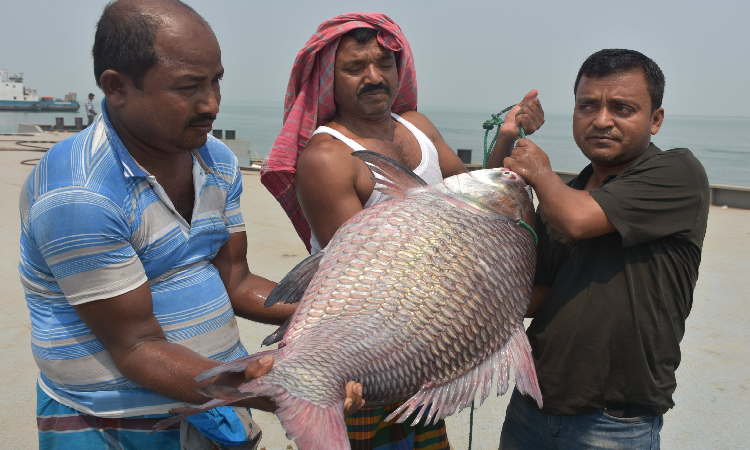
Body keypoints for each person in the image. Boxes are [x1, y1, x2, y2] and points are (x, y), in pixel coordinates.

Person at [20, 1, 362, 449]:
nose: (212, 104)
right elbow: (137, 347)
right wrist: (258, 381)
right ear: (116, 87)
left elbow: (235, 280)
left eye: (216, 80)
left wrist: (340, 319)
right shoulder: (79, 196)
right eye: (188, 87)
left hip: (210, 408)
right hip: (114, 427)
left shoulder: (214, 161)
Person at [261, 13, 544, 449]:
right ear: (326, 80)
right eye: (354, 68)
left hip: (421, 342)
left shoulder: (418, 125)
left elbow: (472, 197)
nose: (374, 77)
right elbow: (363, 277)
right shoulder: (327, 156)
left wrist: (505, 139)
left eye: (385, 64)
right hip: (367, 354)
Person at [488, 49, 710, 449]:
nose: (601, 120)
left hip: (615, 423)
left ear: (655, 120)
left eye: (622, 108)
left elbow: (579, 218)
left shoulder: (677, 174)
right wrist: (507, 138)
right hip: (530, 407)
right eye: (587, 106)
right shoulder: (567, 195)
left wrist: (538, 171)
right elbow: (532, 296)